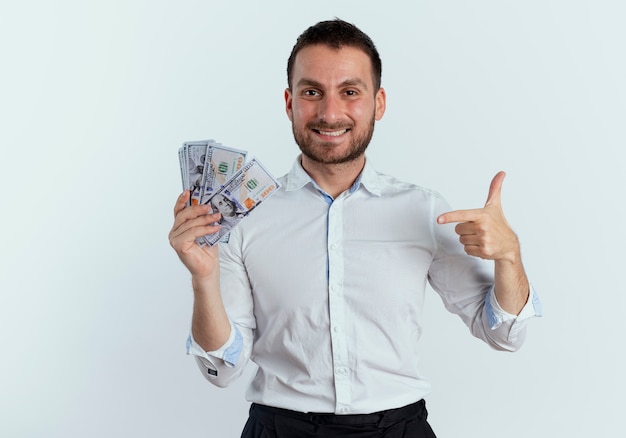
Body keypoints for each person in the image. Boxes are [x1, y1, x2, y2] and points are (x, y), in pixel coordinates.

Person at [169, 19, 541, 438]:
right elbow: (222, 369)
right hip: (280, 428)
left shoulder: (423, 209)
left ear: (378, 103)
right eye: (312, 92)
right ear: (290, 103)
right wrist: (203, 279)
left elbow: (504, 333)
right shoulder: (246, 215)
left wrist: (510, 256)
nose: (330, 113)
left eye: (350, 92)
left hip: (399, 428)